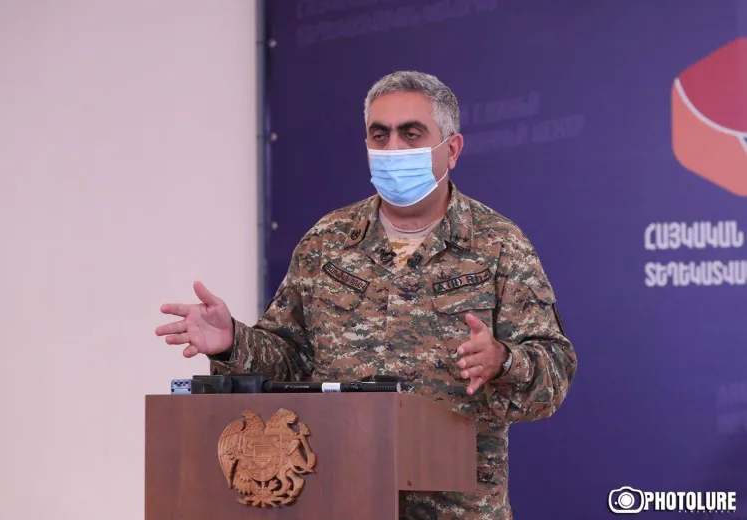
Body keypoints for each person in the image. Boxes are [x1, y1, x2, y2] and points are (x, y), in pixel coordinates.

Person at [156, 70, 578, 519]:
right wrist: (233, 343)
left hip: (457, 509)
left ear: (452, 149)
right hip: (338, 500)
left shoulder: (499, 245)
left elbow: (554, 373)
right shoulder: (327, 241)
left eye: (411, 134)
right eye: (380, 135)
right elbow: (290, 359)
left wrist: (503, 361)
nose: (392, 149)